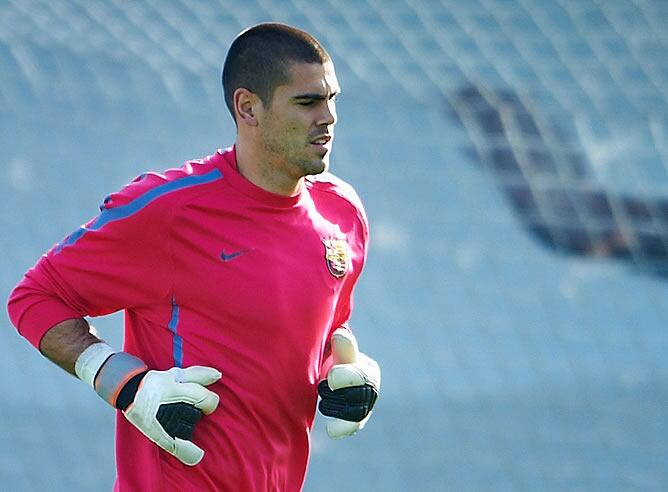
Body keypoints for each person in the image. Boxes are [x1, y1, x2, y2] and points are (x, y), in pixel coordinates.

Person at [7, 22, 380, 491]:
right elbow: (35, 297)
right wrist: (127, 384)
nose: (328, 117)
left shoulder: (342, 213)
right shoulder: (170, 211)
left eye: (332, 99)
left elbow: (324, 331)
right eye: (307, 102)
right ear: (248, 107)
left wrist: (350, 375)